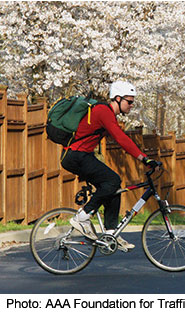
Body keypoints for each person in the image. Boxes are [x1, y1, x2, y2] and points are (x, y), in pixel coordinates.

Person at [61, 81, 160, 252]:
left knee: (113, 187)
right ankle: (82, 218)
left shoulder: (107, 114)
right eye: (129, 102)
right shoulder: (103, 111)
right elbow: (121, 138)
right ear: (118, 98)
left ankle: (111, 233)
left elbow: (119, 140)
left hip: (82, 156)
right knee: (113, 180)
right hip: (76, 156)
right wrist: (144, 159)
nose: (131, 105)